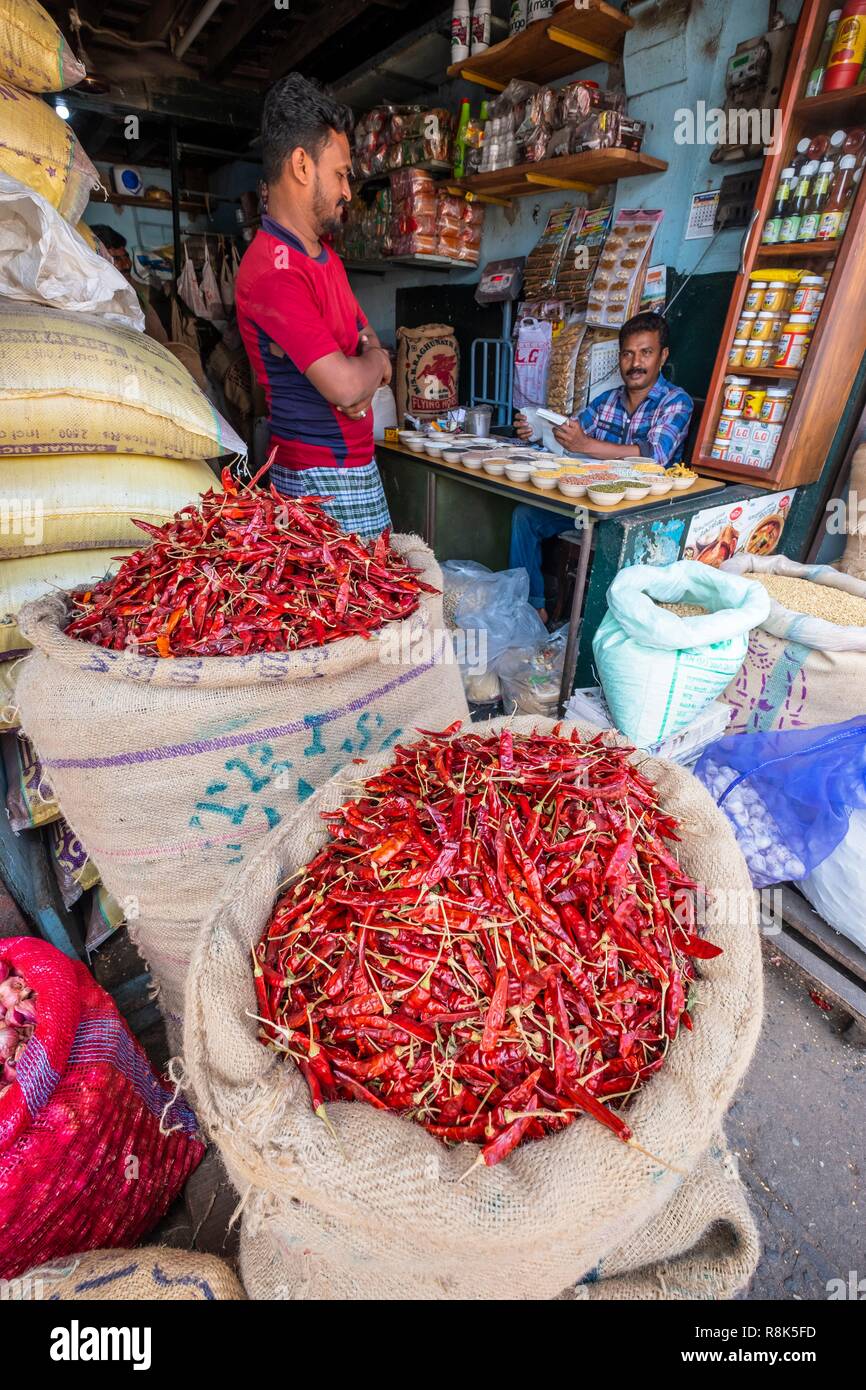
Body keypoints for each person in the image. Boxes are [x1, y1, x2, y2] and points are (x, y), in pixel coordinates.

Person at [235, 72, 393, 540]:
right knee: (348, 610)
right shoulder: (273, 270)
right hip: (317, 482)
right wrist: (373, 364)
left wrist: (368, 360)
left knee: (383, 603)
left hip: (357, 471)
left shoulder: (325, 258)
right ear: (303, 166)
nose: (348, 190)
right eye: (341, 174)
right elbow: (347, 388)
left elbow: (366, 348)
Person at [509, 312, 693, 621]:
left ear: (663, 356)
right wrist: (537, 430)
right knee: (525, 517)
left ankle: (590, 625)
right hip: (590, 508)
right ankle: (534, 608)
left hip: (639, 515)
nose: (635, 363)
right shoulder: (607, 400)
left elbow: (654, 455)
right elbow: (569, 436)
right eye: (628, 354)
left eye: (645, 352)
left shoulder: (676, 402)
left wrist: (585, 445)